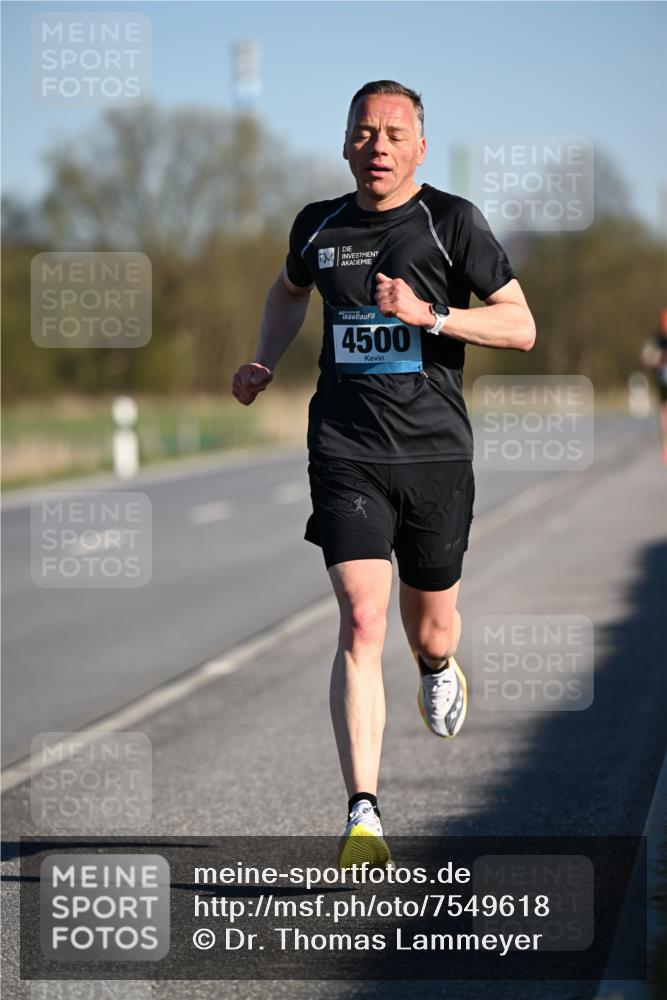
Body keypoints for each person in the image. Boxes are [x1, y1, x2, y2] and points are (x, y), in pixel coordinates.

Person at [232, 80, 536, 868]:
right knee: (362, 619)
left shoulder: (451, 221)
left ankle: (435, 666)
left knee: (429, 629)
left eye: (395, 135)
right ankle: (362, 813)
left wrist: (429, 315)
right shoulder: (317, 225)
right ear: (344, 143)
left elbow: (520, 325)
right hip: (345, 449)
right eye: (364, 132)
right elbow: (288, 290)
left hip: (434, 454)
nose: (378, 147)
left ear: (419, 149)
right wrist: (265, 357)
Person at [640, 309, 667, 464]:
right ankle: (665, 445)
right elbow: (647, 356)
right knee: (664, 412)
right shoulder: (656, 339)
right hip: (663, 380)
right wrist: (659, 358)